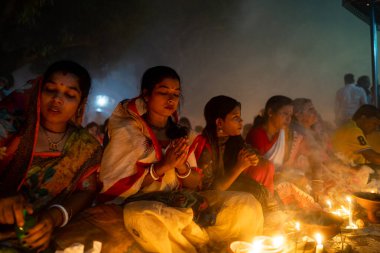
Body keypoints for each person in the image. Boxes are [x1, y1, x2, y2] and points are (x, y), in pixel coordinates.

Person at [99, 67, 262, 253]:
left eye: (176, 94)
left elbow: (195, 183)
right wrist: (162, 167)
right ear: (146, 94)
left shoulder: (182, 134)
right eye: (163, 92)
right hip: (142, 204)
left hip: (181, 202)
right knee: (142, 216)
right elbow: (115, 185)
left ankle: (204, 241)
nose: (171, 99)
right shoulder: (128, 131)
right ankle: (202, 244)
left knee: (246, 203)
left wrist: (181, 167)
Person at [0, 60, 102, 252]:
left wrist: (53, 217)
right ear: (39, 92)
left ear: (82, 102)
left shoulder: (86, 147)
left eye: (70, 95)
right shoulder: (8, 129)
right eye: (50, 90)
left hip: (38, 238)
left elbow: (87, 190)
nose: (57, 99)